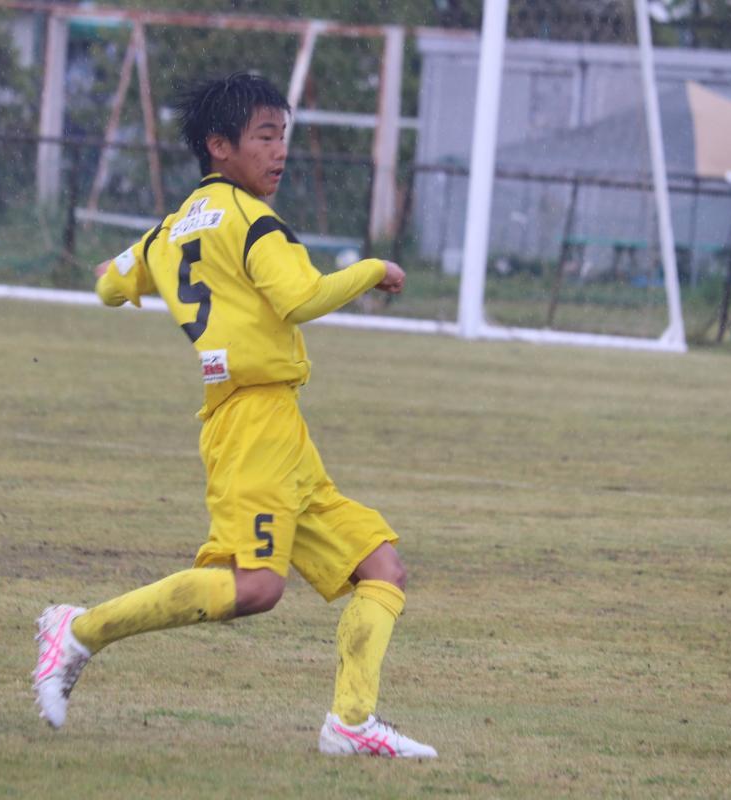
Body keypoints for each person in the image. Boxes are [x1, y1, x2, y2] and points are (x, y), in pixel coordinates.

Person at [32, 72, 436, 759]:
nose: (280, 152)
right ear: (220, 146)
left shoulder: (170, 228)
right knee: (255, 588)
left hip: (275, 426)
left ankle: (350, 723)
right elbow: (302, 298)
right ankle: (78, 630)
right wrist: (374, 270)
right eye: (265, 137)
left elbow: (109, 283)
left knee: (381, 569)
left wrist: (122, 272)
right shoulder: (253, 222)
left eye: (283, 136)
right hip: (253, 423)